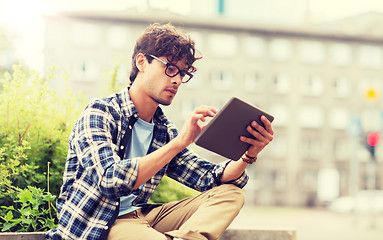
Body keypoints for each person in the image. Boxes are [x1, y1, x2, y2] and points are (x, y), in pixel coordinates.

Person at [45, 23, 274, 240]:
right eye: (170, 68)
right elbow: (110, 180)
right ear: (142, 62)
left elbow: (209, 178)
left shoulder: (163, 131)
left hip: (142, 218)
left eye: (183, 73)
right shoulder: (100, 113)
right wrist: (180, 142)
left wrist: (248, 154)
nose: (176, 80)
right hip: (100, 224)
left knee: (230, 194)